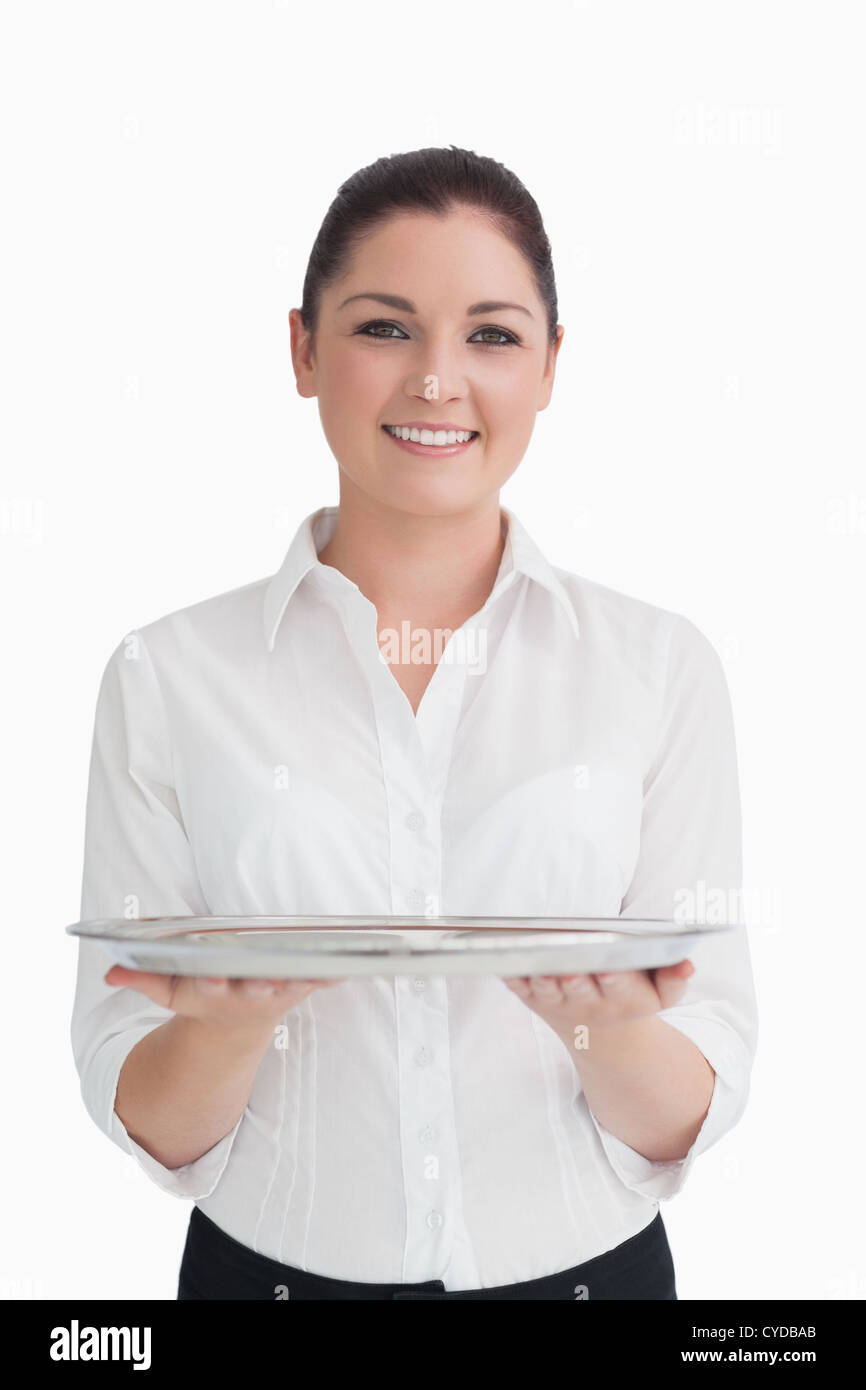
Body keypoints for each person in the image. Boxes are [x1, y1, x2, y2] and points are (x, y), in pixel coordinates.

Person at [70, 145, 758, 1301]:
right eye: (384, 328)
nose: (437, 379)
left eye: (490, 334)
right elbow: (137, 1100)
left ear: (548, 366)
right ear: (301, 348)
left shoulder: (658, 669)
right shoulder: (166, 675)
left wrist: (602, 1029)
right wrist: (231, 1029)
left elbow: (702, 1086)